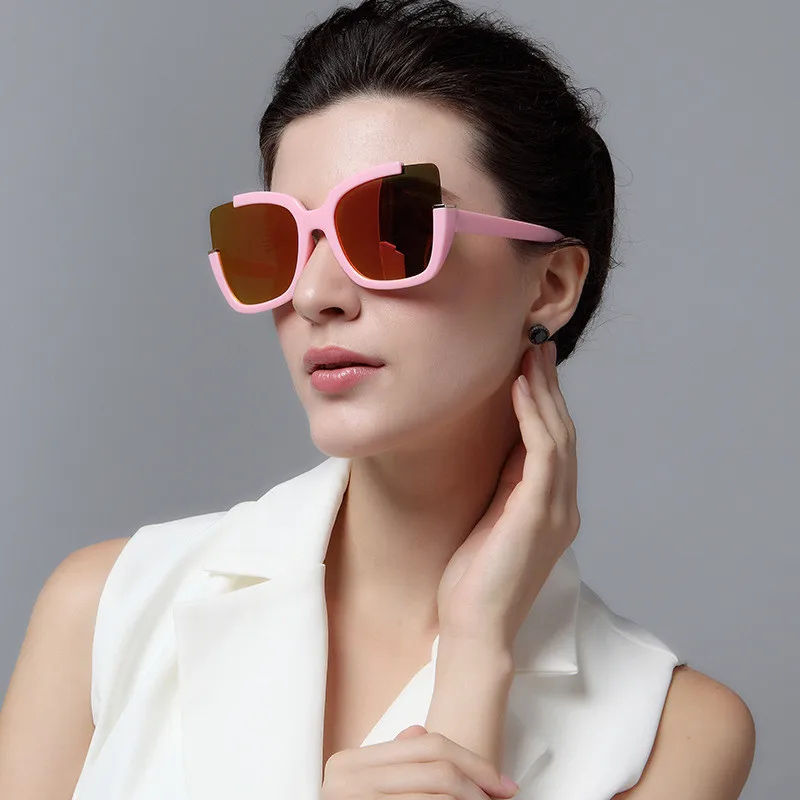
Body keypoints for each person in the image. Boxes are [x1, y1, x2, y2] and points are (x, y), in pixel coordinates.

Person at [0, 1, 756, 798]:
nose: (314, 293)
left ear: (551, 284)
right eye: (279, 242)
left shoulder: (670, 734)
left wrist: (477, 649)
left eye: (392, 230)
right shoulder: (107, 612)